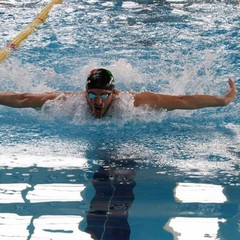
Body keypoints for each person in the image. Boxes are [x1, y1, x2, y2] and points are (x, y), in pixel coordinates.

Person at [0, 68, 237, 118]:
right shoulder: (67, 102)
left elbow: (181, 101)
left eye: (104, 95)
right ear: (85, 94)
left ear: (115, 93)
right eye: (93, 96)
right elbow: (24, 98)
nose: (99, 101)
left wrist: (224, 100)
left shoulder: (133, 102)